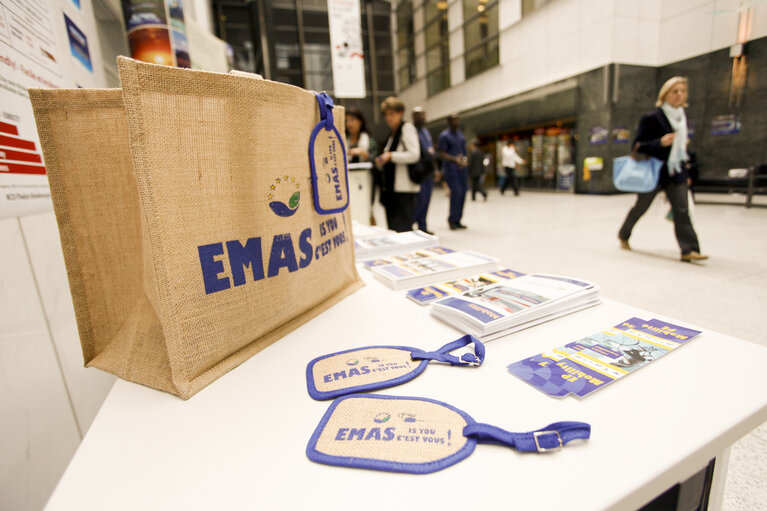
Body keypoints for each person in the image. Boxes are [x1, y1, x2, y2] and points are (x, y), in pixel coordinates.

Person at [618, 76, 708, 262]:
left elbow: (682, 149)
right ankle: (624, 234)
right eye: (675, 91)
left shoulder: (682, 119)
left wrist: (687, 170)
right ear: (665, 94)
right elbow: (637, 146)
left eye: (682, 91)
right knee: (641, 206)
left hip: (676, 171)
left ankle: (689, 249)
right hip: (654, 171)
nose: (679, 95)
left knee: (682, 209)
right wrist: (659, 142)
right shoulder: (651, 118)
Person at [375, 96, 420, 232]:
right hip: (391, 190)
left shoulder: (406, 128)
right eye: (386, 115)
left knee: (403, 229)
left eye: (392, 114)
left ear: (400, 113)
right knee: (394, 229)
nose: (389, 118)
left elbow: (414, 154)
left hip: (404, 190)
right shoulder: (392, 134)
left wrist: (391, 156)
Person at [345, 108, 379, 225]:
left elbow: (376, 160)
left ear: (360, 121)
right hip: (348, 182)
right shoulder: (343, 139)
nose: (349, 123)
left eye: (352, 120)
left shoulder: (368, 139)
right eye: (347, 120)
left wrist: (363, 153)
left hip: (365, 181)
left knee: (365, 208)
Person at [438, 114, 468, 230]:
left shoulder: (460, 135)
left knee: (463, 193)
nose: (457, 122)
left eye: (457, 119)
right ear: (449, 122)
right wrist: (455, 160)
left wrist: (464, 161)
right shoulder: (444, 136)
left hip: (462, 169)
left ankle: (458, 219)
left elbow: (464, 152)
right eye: (454, 120)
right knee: (456, 193)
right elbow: (442, 153)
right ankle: (452, 220)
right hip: (451, 168)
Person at [411, 107, 438, 234]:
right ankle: (411, 224)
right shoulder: (412, 131)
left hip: (429, 171)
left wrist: (436, 169)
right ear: (414, 117)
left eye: (423, 115)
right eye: (420, 115)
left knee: (427, 199)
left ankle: (422, 227)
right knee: (419, 200)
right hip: (419, 172)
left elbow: (431, 152)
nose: (423, 118)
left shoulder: (426, 132)